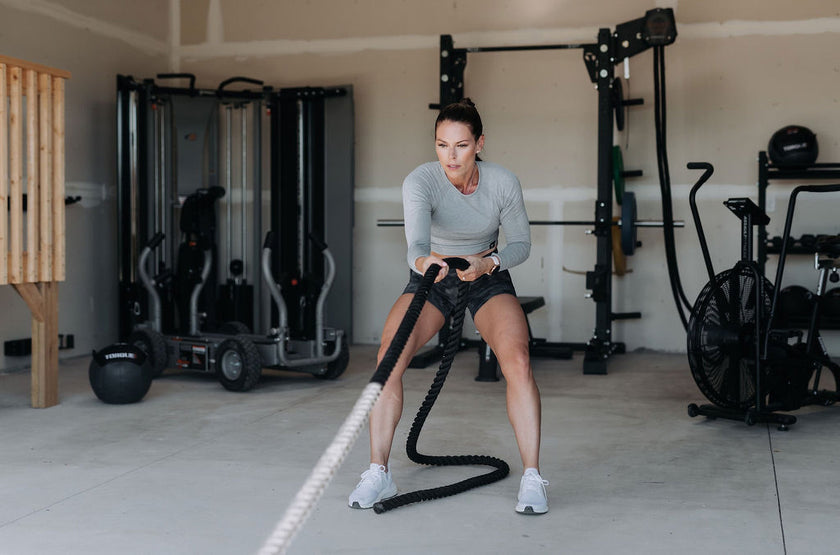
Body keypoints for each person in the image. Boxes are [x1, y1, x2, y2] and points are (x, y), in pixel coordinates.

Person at [348, 99, 549, 515]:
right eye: (442, 145)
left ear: (479, 143)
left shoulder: (502, 182)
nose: (450, 156)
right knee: (389, 355)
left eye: (460, 145)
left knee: (518, 359)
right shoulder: (420, 181)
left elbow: (522, 245)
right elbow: (417, 247)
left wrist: (488, 263)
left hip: (486, 274)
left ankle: (532, 478)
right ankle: (378, 472)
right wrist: (426, 263)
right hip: (434, 276)